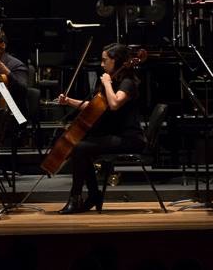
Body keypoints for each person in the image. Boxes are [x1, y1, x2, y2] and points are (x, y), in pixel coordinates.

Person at [55, 43, 146, 214]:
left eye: (105, 61)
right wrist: (69, 101)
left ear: (116, 60)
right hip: (115, 135)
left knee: (80, 148)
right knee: (81, 147)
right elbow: (95, 106)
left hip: (130, 139)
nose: (102, 65)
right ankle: (92, 195)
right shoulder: (115, 80)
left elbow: (114, 104)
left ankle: (79, 197)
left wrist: (107, 83)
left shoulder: (128, 82)